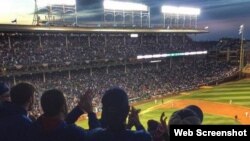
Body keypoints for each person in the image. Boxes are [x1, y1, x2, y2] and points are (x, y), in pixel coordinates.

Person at [29, 89, 99, 141]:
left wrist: (80, 107)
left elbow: (61, 123)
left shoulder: (35, 127)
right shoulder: (72, 132)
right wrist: (91, 112)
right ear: (63, 107)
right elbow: (98, 136)